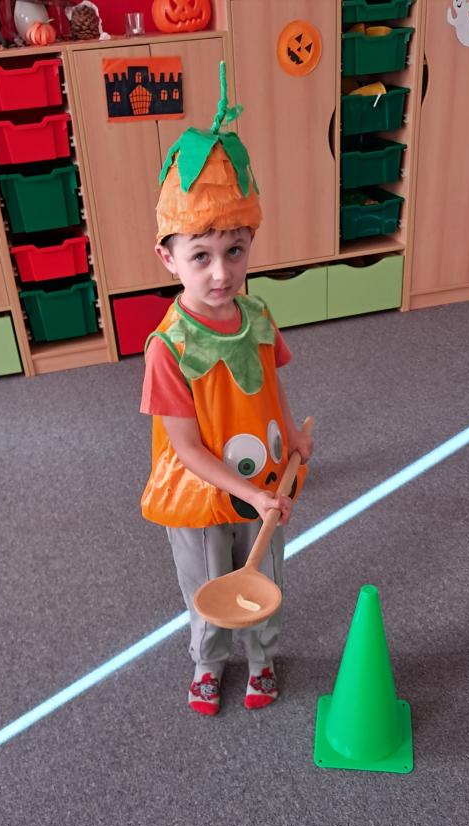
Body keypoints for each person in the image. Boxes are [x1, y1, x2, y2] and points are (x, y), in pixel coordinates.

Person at [139, 63, 313, 716]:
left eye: (235, 251)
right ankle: (208, 663)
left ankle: (262, 656)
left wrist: (290, 436)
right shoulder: (168, 348)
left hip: (260, 476)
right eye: (201, 256)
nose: (221, 273)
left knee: (262, 573)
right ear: (168, 258)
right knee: (208, 583)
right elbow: (185, 448)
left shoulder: (259, 316)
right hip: (200, 494)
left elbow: (269, 384)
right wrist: (247, 494)